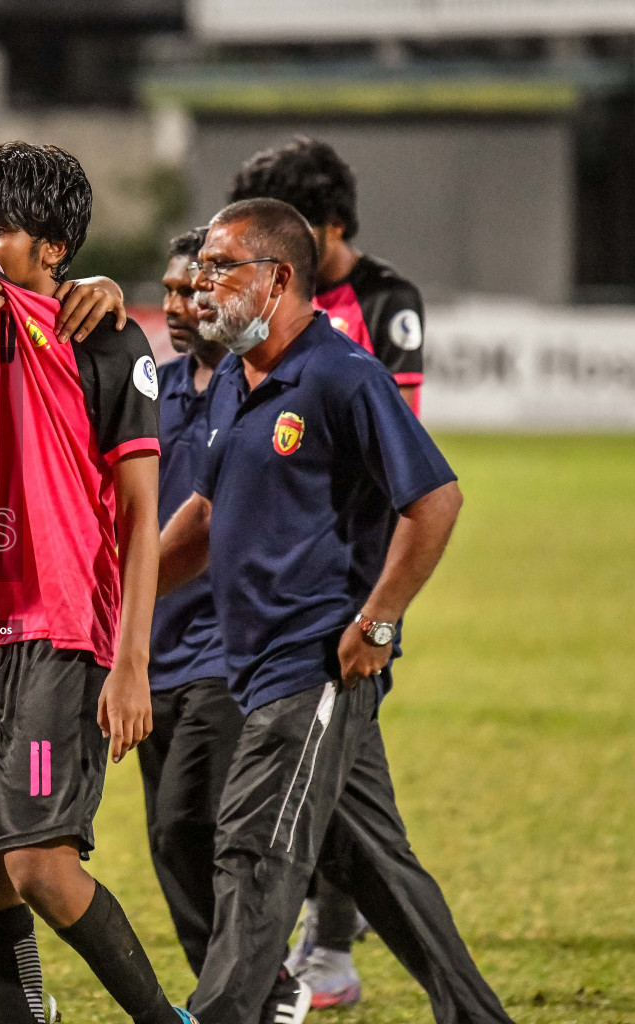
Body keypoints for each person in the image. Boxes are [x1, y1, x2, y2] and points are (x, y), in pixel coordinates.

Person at [159, 198, 515, 1024]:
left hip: (314, 661)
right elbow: (203, 523)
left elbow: (436, 500)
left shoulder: (342, 374)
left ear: (277, 277)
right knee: (376, 866)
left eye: (221, 267)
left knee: (253, 849)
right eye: (202, 268)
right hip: (259, 668)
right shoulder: (239, 382)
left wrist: (379, 621)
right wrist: (121, 593)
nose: (204, 285)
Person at [0, 142, 193, 1024]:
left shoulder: (106, 337)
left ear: (52, 247)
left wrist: (132, 665)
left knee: (39, 867)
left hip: (58, 630)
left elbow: (139, 519)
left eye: (1, 231)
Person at [230, 135, 428, 1006]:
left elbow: (396, 448)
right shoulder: (263, 314)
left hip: (356, 567)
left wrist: (380, 608)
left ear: (333, 226)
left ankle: (323, 948)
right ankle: (345, 948)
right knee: (341, 772)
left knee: (328, 768)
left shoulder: (385, 303)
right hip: (285, 565)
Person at [135, 226, 242, 978]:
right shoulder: (154, 392)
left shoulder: (258, 386)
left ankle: (251, 979)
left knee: (191, 823)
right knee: (169, 838)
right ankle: (231, 987)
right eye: (169, 291)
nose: (176, 306)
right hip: (148, 645)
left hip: (227, 649)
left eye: (192, 291)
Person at [231, 136, 424, 414]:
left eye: (295, 231)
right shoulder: (265, 291)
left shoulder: (385, 298)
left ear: (335, 224)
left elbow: (398, 424)